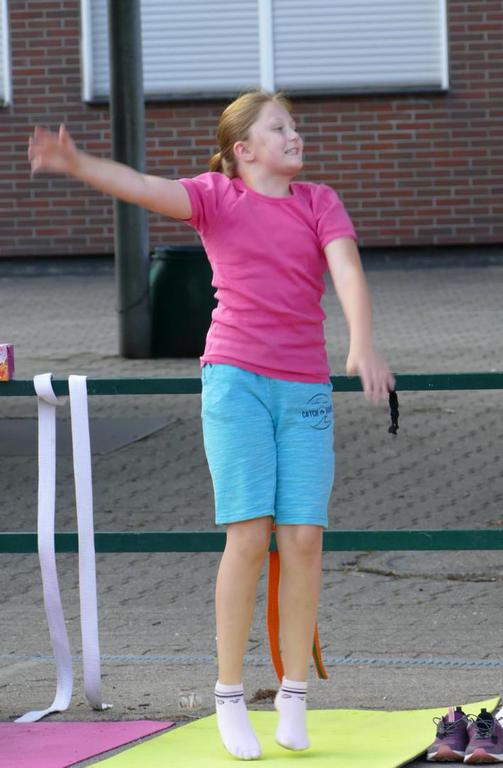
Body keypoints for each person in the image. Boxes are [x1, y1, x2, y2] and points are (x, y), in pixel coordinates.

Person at [28, 90, 395, 761]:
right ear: (243, 149)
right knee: (249, 535)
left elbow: (347, 271)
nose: (294, 135)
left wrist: (362, 343)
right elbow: (141, 187)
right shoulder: (215, 197)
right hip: (235, 383)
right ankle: (228, 694)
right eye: (278, 127)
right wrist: (79, 164)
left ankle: (292, 694)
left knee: (304, 538)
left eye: (294, 125)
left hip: (304, 388)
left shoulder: (320, 202)